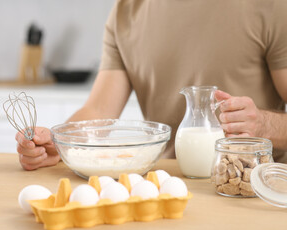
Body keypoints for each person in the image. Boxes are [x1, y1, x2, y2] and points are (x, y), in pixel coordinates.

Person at [16, 0, 287, 170]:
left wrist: (262, 124)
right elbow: (98, 111)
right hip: (168, 185)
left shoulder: (269, 5)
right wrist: (59, 143)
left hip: (252, 188)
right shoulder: (125, 12)